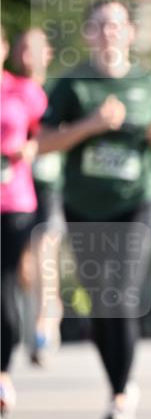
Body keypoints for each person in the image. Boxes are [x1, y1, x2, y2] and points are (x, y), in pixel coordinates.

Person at [37, 0, 151, 419]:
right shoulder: (72, 83)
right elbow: (41, 142)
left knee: (122, 293)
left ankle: (119, 400)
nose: (108, 32)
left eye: (116, 24)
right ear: (88, 34)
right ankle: (119, 387)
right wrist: (91, 126)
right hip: (84, 207)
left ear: (130, 33)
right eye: (99, 25)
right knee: (100, 304)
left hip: (137, 201)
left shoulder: (147, 79)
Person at [1, 25, 48, 414]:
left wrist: (30, 148)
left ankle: (2, 373)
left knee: (4, 287)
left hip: (13, 201)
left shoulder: (24, 91)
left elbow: (48, 135)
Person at [11, 28, 65, 364]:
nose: (30, 55)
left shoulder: (58, 92)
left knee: (45, 251)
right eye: (24, 49)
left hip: (49, 185)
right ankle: (40, 315)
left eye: (37, 49)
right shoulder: (11, 92)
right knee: (24, 265)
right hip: (18, 186)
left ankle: (44, 326)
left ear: (49, 54)